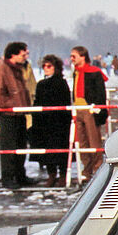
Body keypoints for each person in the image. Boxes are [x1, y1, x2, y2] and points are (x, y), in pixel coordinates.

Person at [0, 42, 33, 188]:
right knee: (9, 146)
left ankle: (20, 175)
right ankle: (7, 178)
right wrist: (12, 105)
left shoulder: (18, 70)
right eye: (23, 54)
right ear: (13, 54)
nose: (25, 57)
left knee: (20, 145)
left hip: (19, 114)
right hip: (8, 115)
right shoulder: (1, 69)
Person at [29, 54, 72, 187]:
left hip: (59, 122)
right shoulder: (41, 84)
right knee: (47, 150)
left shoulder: (61, 83)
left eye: (49, 66)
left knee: (60, 150)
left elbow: (65, 102)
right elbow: (37, 102)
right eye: (44, 66)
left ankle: (63, 175)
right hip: (44, 122)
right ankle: (51, 175)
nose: (46, 68)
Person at [70, 45, 108, 179]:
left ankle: (97, 167)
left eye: (74, 56)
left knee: (94, 140)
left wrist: (99, 110)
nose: (71, 59)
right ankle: (87, 168)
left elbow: (100, 94)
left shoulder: (94, 72)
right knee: (81, 141)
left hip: (90, 110)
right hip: (78, 109)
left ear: (83, 56)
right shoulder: (76, 72)